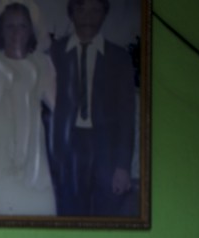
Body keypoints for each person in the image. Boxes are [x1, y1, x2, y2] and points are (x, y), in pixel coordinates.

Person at [0, 0, 57, 216]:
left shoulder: (42, 64)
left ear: (31, 31)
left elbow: (60, 108)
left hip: (33, 160)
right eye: (10, 26)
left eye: (23, 26)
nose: (17, 32)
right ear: (0, 30)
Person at [46, 0, 137, 216]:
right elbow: (44, 109)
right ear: (71, 13)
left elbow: (127, 115)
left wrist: (123, 166)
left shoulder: (119, 58)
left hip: (106, 149)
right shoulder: (54, 53)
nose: (88, 16)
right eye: (81, 9)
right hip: (67, 148)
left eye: (95, 10)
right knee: (69, 211)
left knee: (107, 212)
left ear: (105, 14)